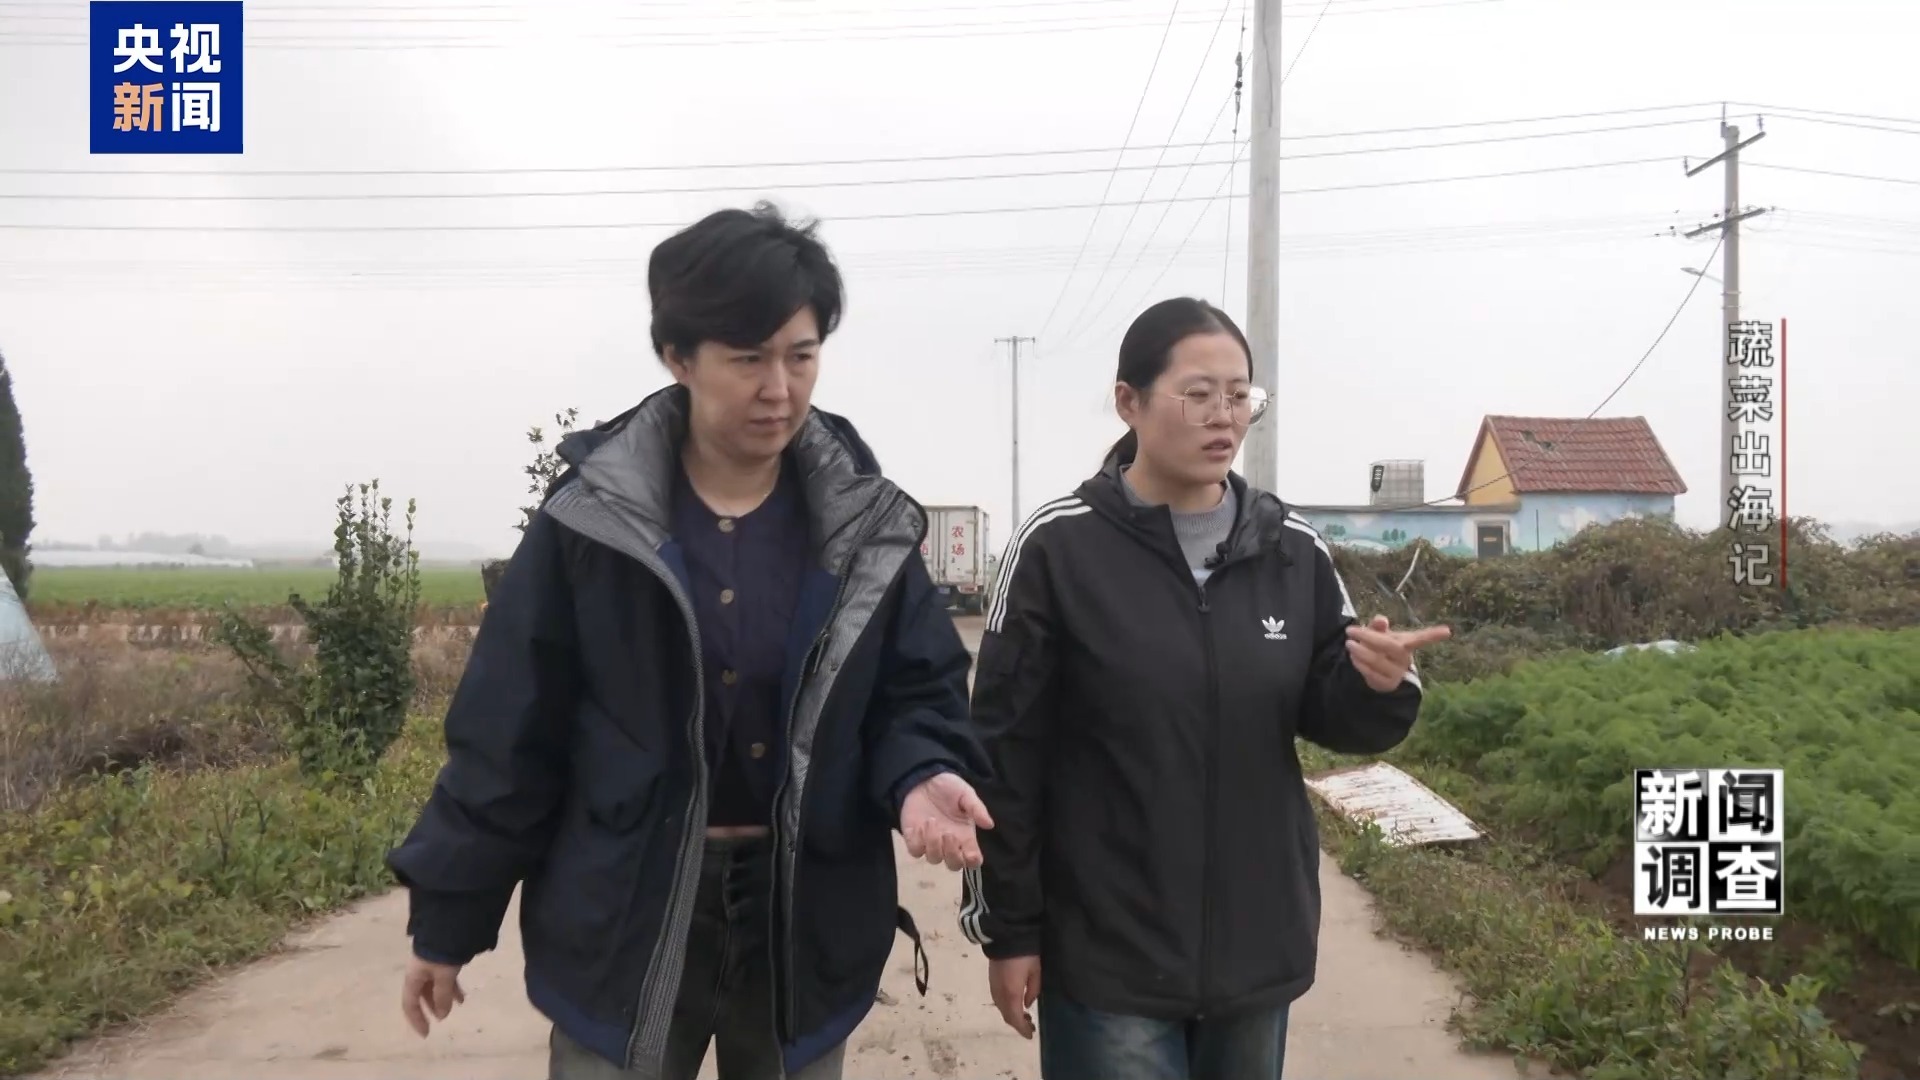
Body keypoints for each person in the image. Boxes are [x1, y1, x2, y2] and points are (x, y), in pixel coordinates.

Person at [386, 202, 995, 1080]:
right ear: (678, 357)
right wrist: (448, 919)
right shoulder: (593, 526)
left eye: (801, 356)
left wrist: (920, 771)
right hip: (625, 907)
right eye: (747, 359)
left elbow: (917, 689)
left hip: (802, 913)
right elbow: (509, 730)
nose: (778, 388)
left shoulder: (862, 527)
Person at [958, 297, 1452, 1080]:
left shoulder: (1292, 550)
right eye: (1198, 394)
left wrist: (1377, 685)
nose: (1224, 416)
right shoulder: (1057, 549)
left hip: (1255, 952)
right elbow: (1002, 757)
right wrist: (1009, 929)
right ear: (1129, 402)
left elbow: (1333, 712)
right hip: (1106, 956)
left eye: (1240, 394)